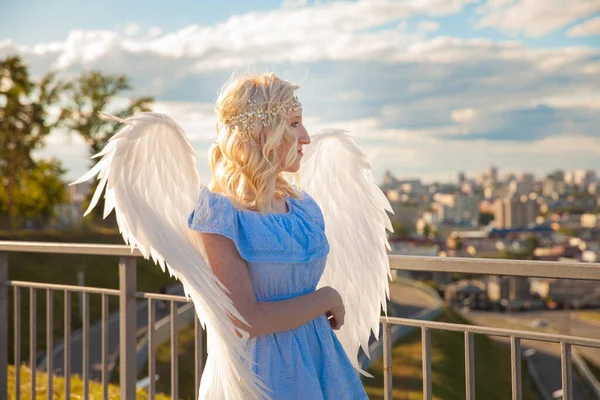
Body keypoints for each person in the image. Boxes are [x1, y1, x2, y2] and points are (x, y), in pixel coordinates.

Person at [187, 73, 368, 399]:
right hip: (262, 376)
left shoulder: (303, 207)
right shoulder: (218, 213)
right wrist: (325, 298)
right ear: (264, 133)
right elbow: (244, 320)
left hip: (320, 365)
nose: (307, 137)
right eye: (295, 123)